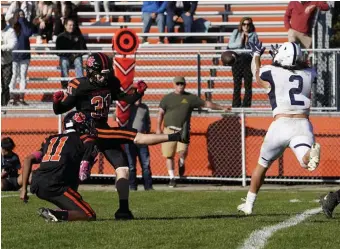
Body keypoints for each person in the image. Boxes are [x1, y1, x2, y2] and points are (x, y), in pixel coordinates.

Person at [52, 52, 188, 219]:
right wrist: (57, 102)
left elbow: (125, 99)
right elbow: (59, 110)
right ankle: (84, 166)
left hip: (103, 129)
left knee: (123, 169)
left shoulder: (110, 82)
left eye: (107, 73)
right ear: (90, 72)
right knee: (134, 137)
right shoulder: (79, 85)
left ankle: (123, 209)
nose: (105, 77)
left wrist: (138, 93)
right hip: (87, 131)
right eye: (102, 74)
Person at [237, 41, 321, 215]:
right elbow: (301, 69)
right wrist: (279, 58)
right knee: (306, 163)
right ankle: (308, 154)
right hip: (303, 124)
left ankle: (249, 204)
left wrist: (257, 55)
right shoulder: (310, 73)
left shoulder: (271, 71)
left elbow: (257, 74)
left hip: (281, 124)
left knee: (262, 165)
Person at [20, 111, 98, 222]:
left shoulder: (51, 139)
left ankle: (61, 210)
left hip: (37, 183)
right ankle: (55, 214)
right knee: (89, 214)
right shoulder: (83, 139)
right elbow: (82, 175)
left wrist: (23, 189)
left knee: (71, 172)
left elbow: (28, 159)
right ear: (79, 124)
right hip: (55, 185)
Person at [156, 76, 230, 187]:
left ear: (185, 85)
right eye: (178, 84)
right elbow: (160, 113)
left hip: (183, 130)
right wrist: (158, 128)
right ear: (173, 84)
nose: (180, 86)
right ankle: (172, 178)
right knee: (169, 155)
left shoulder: (190, 98)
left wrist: (222, 107)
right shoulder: (167, 98)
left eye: (182, 84)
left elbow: (206, 104)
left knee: (182, 152)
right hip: (169, 129)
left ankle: (181, 162)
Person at [123, 97, 153, 191]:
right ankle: (132, 186)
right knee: (131, 166)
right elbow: (117, 116)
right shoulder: (127, 108)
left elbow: (147, 122)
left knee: (145, 164)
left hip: (142, 140)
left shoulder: (144, 107)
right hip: (130, 140)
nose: (138, 99)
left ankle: (148, 186)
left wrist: (147, 132)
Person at [228, 17, 258, 107]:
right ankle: (236, 105)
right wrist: (241, 41)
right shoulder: (236, 32)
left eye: (248, 24)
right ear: (241, 25)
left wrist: (248, 40)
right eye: (244, 24)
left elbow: (254, 48)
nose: (246, 26)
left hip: (247, 59)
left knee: (248, 84)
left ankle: (246, 105)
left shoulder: (253, 35)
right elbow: (230, 45)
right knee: (237, 84)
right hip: (237, 59)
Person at [9, 9, 33, 106]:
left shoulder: (26, 25)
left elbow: (28, 33)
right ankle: (11, 97)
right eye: (19, 15)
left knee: (23, 76)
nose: (21, 17)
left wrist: (23, 21)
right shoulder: (12, 26)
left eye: (23, 15)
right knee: (13, 76)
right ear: (15, 16)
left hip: (24, 56)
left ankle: (21, 97)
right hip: (13, 56)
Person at [56, 18, 86, 89]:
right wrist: (68, 55)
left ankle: (80, 84)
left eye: (73, 25)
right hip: (65, 57)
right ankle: (65, 85)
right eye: (69, 25)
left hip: (76, 57)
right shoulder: (60, 37)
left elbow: (84, 49)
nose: (71, 27)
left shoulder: (79, 36)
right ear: (65, 26)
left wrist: (75, 55)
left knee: (78, 60)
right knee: (64, 61)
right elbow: (58, 51)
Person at [1, 14, 18, 106]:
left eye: (1, 21)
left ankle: (3, 104)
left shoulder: (10, 31)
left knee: (5, 84)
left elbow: (13, 44)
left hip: (7, 62)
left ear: (4, 21)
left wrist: (2, 47)